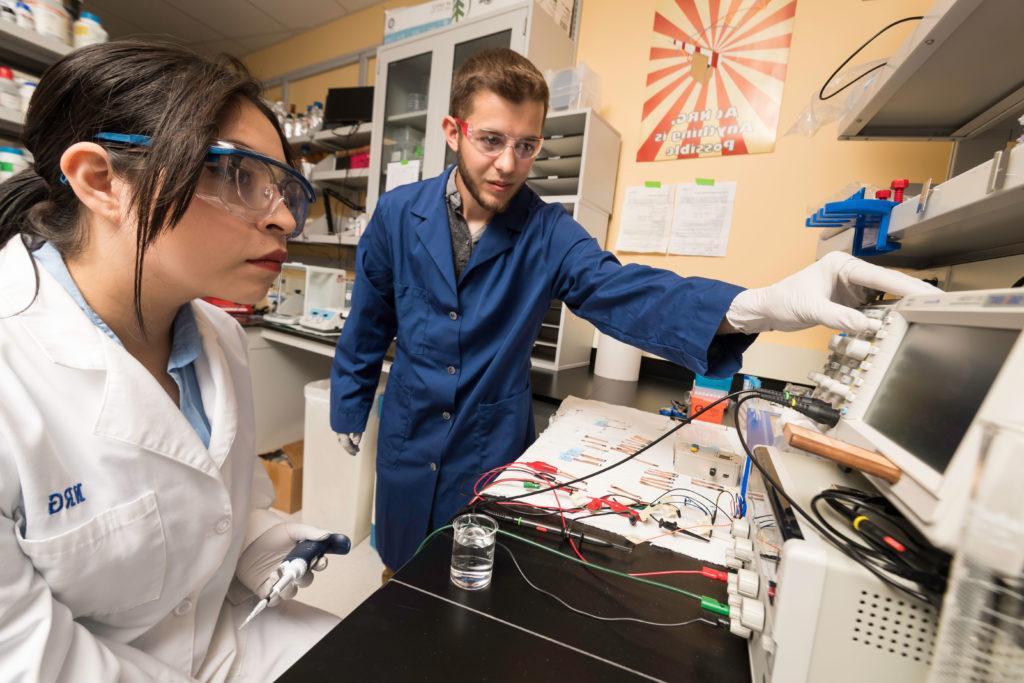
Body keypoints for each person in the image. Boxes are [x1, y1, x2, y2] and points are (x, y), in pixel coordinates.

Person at [330, 49, 936, 575]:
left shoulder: (548, 231)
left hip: (490, 449)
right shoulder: (396, 214)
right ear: (453, 130)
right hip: (409, 435)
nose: (509, 165)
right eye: (492, 140)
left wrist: (755, 307)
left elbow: (623, 292)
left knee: (477, 585)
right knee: (401, 568)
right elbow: (369, 321)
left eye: (526, 145)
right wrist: (350, 404)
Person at [0, 42, 340, 682]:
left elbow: (220, 503)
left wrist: (261, 545)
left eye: (284, 188)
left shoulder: (218, 336)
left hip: (227, 640)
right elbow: (24, 655)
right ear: (102, 181)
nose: (284, 219)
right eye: (240, 177)